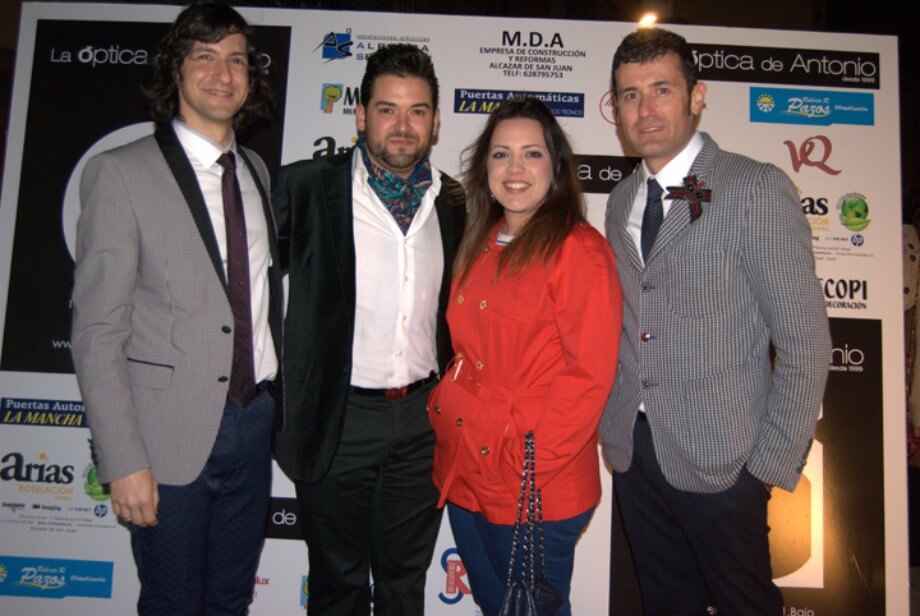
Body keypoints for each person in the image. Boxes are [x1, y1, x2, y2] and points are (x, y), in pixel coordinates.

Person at [600, 27, 831, 614]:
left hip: (726, 461)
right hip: (636, 452)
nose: (646, 110)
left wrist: (766, 466)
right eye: (630, 95)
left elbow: (806, 342)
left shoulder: (754, 188)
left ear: (697, 96)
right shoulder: (622, 200)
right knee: (665, 603)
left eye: (662, 90)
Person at [70, 3, 280, 614]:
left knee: (231, 603)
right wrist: (123, 460)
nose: (223, 73)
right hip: (166, 441)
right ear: (176, 70)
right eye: (204, 56)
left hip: (253, 425)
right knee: (172, 604)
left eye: (236, 59)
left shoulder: (256, 172)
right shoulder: (120, 174)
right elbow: (97, 332)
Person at [272, 44, 466, 615]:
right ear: (360, 115)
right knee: (338, 586)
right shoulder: (306, 187)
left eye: (417, 111)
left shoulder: (455, 201)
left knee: (405, 585)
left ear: (435, 121)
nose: (402, 126)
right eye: (387, 109)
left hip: (423, 422)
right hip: (338, 420)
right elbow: (243, 282)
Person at [427, 97, 622, 616]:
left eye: (532, 153)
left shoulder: (578, 251)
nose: (515, 168)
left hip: (531, 483)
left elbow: (588, 380)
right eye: (501, 154)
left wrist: (519, 473)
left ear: (556, 166)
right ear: (484, 166)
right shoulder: (482, 239)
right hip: (465, 468)